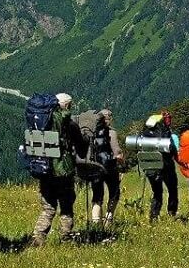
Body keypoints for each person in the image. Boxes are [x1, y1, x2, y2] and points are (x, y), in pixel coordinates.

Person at [31, 93, 87, 245]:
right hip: (63, 172)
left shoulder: (42, 123)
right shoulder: (71, 125)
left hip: (45, 169)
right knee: (66, 206)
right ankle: (66, 237)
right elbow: (81, 150)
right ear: (67, 106)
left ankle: (38, 237)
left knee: (48, 208)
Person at [77, 108, 121, 227]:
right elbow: (117, 153)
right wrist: (121, 162)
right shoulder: (111, 132)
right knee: (114, 192)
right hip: (109, 167)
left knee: (97, 195)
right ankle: (108, 218)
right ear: (109, 118)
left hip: (94, 167)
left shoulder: (90, 132)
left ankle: (96, 223)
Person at [139, 112, 180, 222]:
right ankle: (172, 212)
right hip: (166, 167)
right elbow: (172, 149)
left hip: (150, 168)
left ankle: (154, 216)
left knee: (157, 192)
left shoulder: (145, 134)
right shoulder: (164, 133)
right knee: (172, 189)